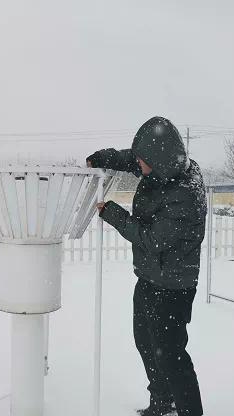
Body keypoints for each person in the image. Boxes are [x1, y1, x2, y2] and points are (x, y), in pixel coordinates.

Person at [86, 116, 206, 416]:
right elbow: (134, 157)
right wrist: (104, 158)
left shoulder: (185, 195)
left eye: (143, 160)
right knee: (146, 343)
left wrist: (113, 214)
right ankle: (162, 401)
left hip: (174, 286)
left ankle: (190, 410)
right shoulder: (163, 166)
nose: (137, 164)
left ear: (160, 160)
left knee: (172, 355)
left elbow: (151, 238)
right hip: (150, 277)